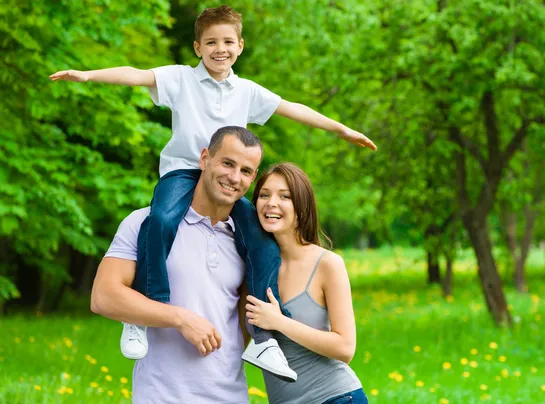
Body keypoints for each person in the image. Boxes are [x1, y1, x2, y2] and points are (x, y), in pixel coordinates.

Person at [49, 5, 376, 380]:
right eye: (210, 42)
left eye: (227, 42)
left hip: (228, 179)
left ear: (239, 45)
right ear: (197, 47)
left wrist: (342, 130)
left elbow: (292, 108)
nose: (219, 49)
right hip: (184, 173)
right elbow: (136, 75)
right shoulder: (180, 79)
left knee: (261, 240)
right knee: (161, 220)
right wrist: (88, 76)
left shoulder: (247, 91)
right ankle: (144, 309)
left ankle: (265, 337)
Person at [92, 127, 266, 403]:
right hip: (161, 395)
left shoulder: (246, 241)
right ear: (205, 158)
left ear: (253, 177)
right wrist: (181, 318)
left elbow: (245, 317)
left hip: (230, 395)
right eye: (228, 163)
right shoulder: (145, 223)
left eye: (246, 171)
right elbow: (103, 296)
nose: (234, 177)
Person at [245, 162, 368, 404]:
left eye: (285, 196)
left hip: (336, 397)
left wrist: (278, 322)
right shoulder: (252, 268)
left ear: (301, 207)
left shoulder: (327, 264)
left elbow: (345, 348)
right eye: (264, 195)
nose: (271, 203)